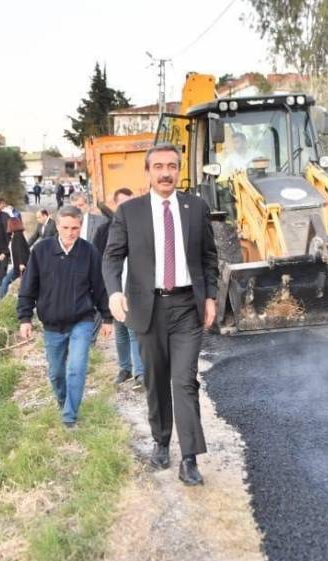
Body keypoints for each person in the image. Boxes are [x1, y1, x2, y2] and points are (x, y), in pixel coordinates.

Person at [103, 143, 219, 486]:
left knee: (184, 381)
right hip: (147, 308)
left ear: (179, 170)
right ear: (148, 172)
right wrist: (113, 292)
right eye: (159, 167)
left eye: (171, 166)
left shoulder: (196, 207)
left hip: (187, 308)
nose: (166, 172)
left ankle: (189, 458)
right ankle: (161, 441)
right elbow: (112, 257)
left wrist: (210, 297)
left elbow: (209, 257)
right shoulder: (130, 212)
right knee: (155, 381)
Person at [18, 205, 113, 429]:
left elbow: (100, 288)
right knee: (57, 373)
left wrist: (107, 318)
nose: (70, 233)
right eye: (66, 227)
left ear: (81, 226)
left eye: (75, 228)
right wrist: (24, 319)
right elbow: (28, 287)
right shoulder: (41, 251)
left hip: (82, 321)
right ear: (57, 225)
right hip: (51, 324)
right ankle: (63, 402)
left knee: (76, 368)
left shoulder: (89, 252)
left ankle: (70, 416)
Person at [107, 188, 143, 391]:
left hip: (134, 288)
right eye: (123, 204)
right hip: (114, 288)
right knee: (120, 331)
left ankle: (140, 373)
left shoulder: (142, 228)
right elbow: (101, 260)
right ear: (116, 205)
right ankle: (125, 369)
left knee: (133, 330)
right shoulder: (106, 229)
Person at [0, 210, 31, 300]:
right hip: (18, 265)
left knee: (6, 281)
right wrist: (4, 254)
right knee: (8, 281)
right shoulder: (16, 235)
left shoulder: (18, 236)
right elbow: (14, 250)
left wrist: (21, 263)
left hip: (20, 265)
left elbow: (20, 251)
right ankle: (1, 299)